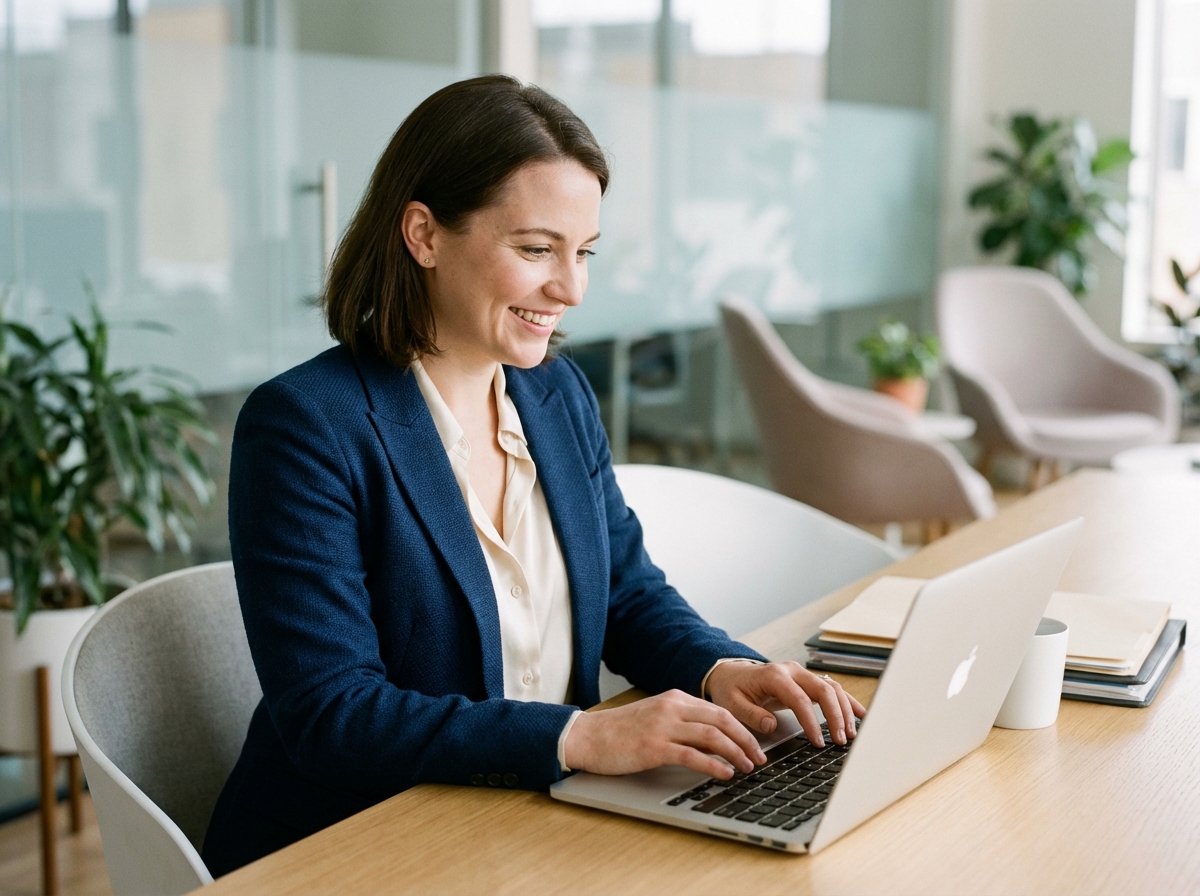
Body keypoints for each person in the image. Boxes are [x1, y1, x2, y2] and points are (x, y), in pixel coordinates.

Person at [202, 75, 864, 876]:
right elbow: (332, 714)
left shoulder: (555, 393)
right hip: (361, 844)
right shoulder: (307, 426)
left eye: (582, 252)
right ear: (424, 234)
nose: (571, 288)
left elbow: (626, 591)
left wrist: (723, 671)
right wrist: (577, 737)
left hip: (538, 824)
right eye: (535, 249)